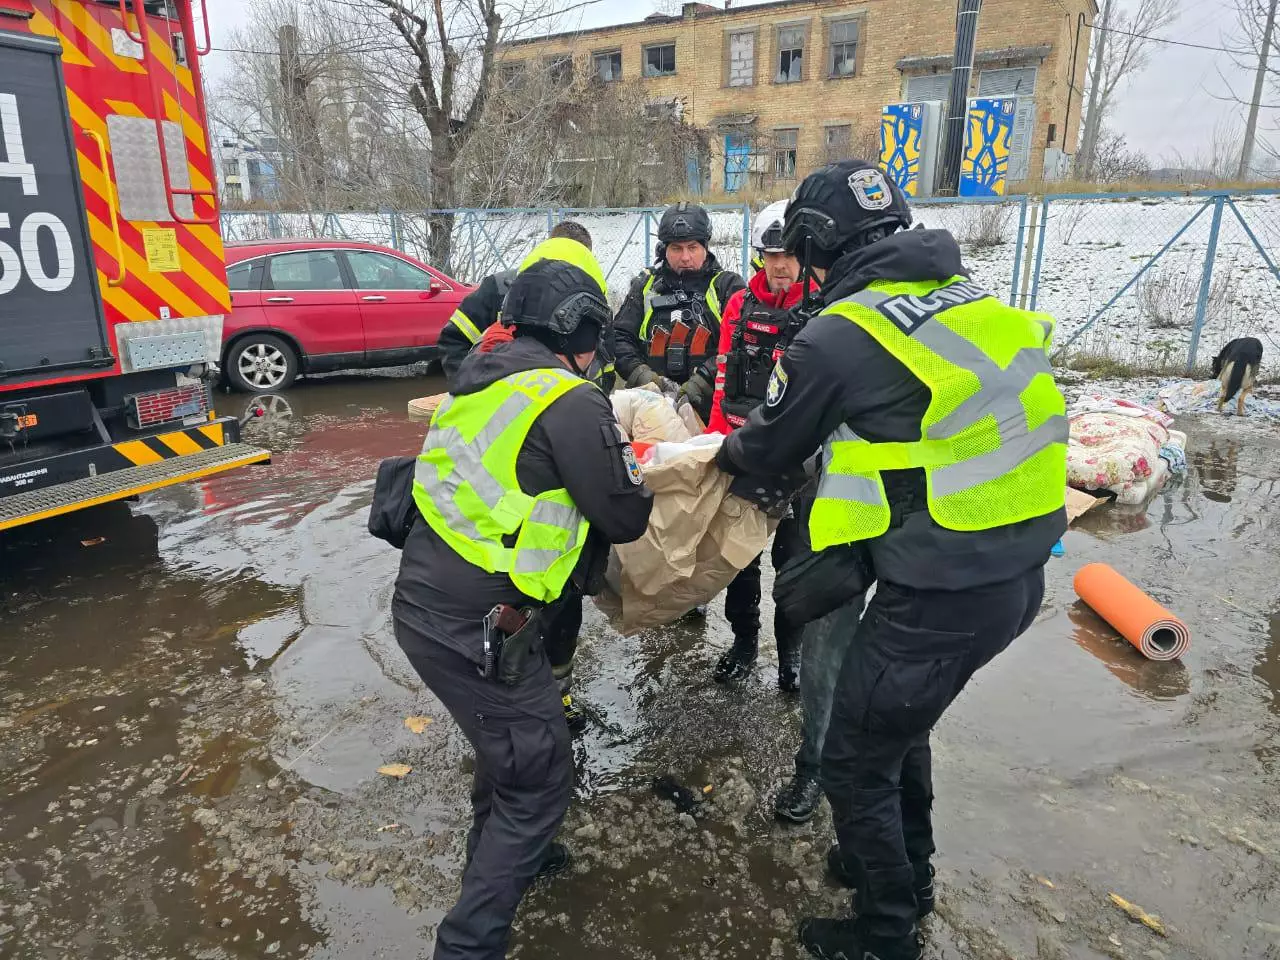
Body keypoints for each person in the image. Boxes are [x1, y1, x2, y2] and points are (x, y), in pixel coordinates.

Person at [716, 159, 1068, 960]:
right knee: (896, 729)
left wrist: (713, 454)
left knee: (853, 758)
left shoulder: (842, 333)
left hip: (944, 586)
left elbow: (766, 446)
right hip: (1011, 569)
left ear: (816, 246)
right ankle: (905, 874)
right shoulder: (972, 299)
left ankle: (884, 934)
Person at [394, 239, 654, 960]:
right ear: (579, 331)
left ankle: (510, 855)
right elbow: (625, 515)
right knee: (540, 780)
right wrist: (634, 462)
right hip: (479, 629)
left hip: (427, 607)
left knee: (505, 748)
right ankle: (467, 945)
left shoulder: (477, 381)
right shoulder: (568, 398)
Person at [438, 224, 604, 732]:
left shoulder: (588, 311)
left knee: (562, 594)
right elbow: (453, 343)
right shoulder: (499, 292)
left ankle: (557, 693)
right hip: (508, 471)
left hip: (560, 478)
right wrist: (487, 399)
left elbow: (603, 372)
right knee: (507, 593)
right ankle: (506, 697)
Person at [704, 200, 806, 690]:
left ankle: (792, 654)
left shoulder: (823, 309)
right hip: (744, 448)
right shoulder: (739, 306)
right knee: (739, 559)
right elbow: (723, 378)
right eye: (772, 255)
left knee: (795, 563)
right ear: (760, 257)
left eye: (790, 255)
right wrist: (715, 443)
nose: (780, 265)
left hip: (801, 460)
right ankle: (744, 642)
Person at [613, 202, 745, 426]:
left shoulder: (726, 286)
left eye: (692, 247)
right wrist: (641, 375)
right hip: (651, 407)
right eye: (676, 248)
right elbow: (618, 338)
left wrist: (703, 381)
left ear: (705, 247)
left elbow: (739, 345)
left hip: (711, 412)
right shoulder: (646, 286)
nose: (685, 257)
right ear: (664, 250)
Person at [438, 220, 595, 386]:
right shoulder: (499, 288)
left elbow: (604, 364)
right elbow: (454, 340)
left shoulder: (591, 302)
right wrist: (474, 386)